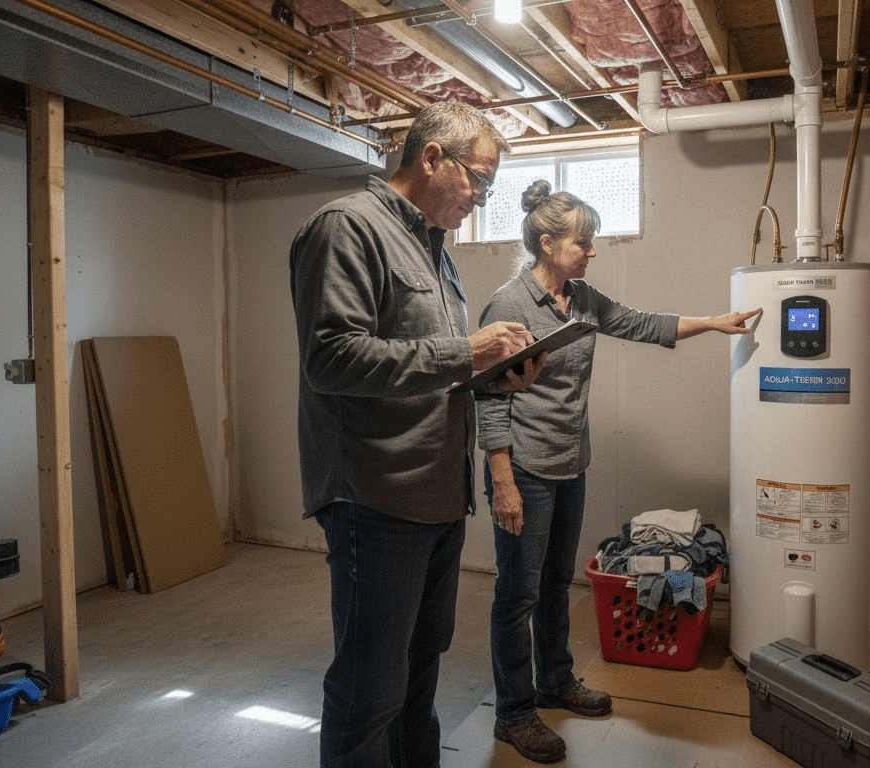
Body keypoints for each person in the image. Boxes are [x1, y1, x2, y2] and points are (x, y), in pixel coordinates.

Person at [289, 101, 544, 768]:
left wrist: (495, 376)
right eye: (479, 179)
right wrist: (468, 351)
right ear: (431, 157)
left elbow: (432, 370)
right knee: (370, 687)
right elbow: (331, 360)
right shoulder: (348, 227)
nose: (482, 197)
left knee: (418, 677)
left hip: (437, 496)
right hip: (376, 497)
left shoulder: (438, 252)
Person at [477, 180, 762, 763]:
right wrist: (502, 480)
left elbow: (639, 323)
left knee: (556, 584)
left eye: (593, 240)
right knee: (517, 593)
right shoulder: (508, 307)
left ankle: (555, 680)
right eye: (583, 242)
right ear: (548, 243)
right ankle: (514, 712)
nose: (592, 250)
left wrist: (714, 322)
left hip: (569, 464)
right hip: (524, 468)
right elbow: (488, 398)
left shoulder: (580, 298)